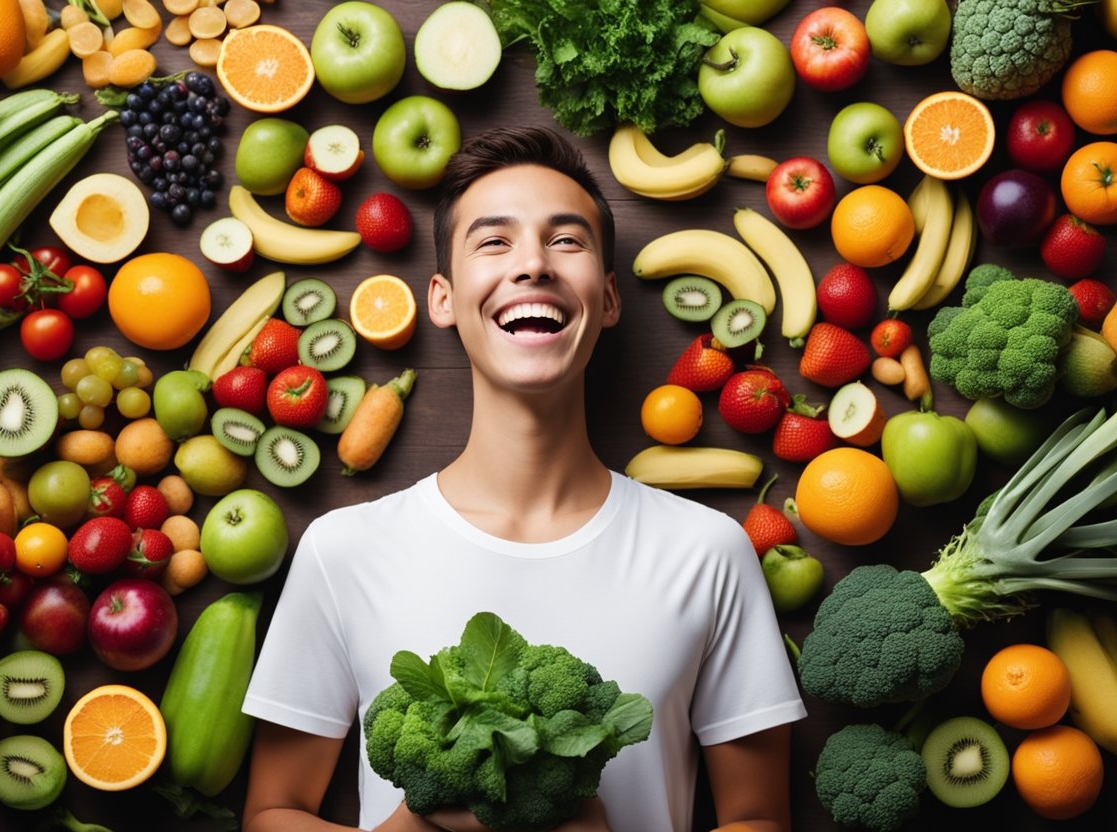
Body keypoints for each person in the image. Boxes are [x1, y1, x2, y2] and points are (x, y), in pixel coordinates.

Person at [240, 126, 806, 832]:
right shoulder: (343, 550)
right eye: (494, 241)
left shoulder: (708, 552)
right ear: (443, 298)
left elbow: (760, 820)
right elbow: (270, 815)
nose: (533, 263)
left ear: (607, 299)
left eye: (566, 240)